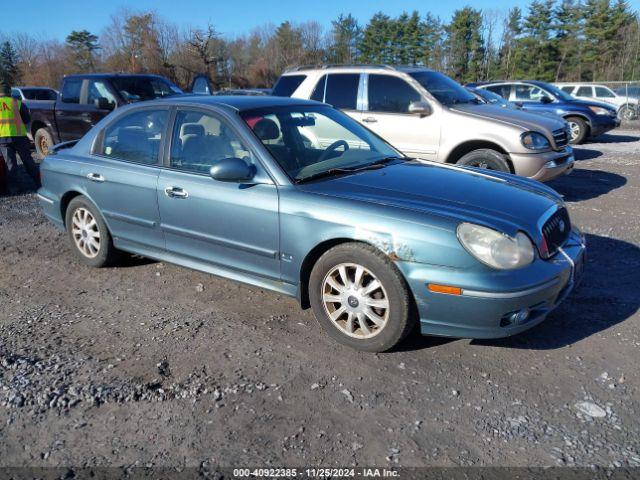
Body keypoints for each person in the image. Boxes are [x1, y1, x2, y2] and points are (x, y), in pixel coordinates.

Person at [0, 83, 40, 193]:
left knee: (10, 164)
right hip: (20, 138)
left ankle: (14, 188)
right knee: (28, 161)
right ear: (9, 92)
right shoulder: (17, 103)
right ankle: (39, 183)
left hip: (3, 139)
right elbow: (27, 120)